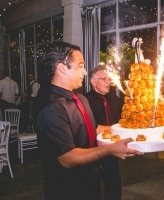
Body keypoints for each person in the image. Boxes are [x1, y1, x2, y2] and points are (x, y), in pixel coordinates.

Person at [36, 41, 143, 200]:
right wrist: (109, 149)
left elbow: (92, 129)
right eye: (80, 66)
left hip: (90, 181)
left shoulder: (79, 99)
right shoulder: (51, 109)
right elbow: (67, 158)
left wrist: (125, 129)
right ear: (62, 68)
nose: (85, 72)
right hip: (66, 189)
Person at [85, 66, 123, 200]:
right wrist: (115, 128)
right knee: (92, 187)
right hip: (91, 150)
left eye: (109, 79)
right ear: (93, 82)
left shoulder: (114, 98)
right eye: (104, 79)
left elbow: (124, 120)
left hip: (111, 149)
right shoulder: (85, 101)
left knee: (114, 184)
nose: (108, 82)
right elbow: (92, 128)